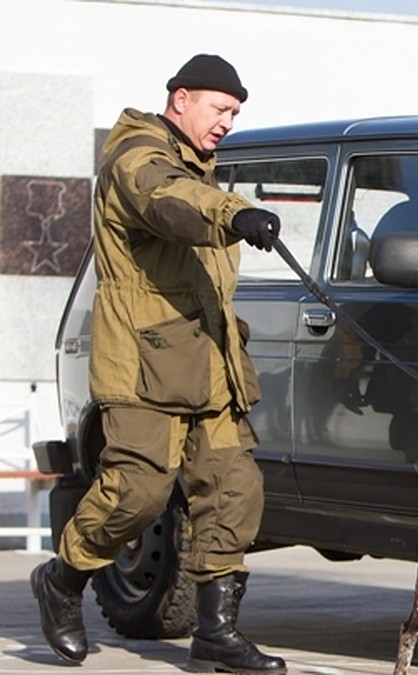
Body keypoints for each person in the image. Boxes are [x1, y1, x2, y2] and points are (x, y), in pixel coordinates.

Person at [30, 54, 285, 673]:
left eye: (235, 113)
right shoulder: (137, 158)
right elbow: (169, 201)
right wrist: (233, 213)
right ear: (181, 99)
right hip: (145, 366)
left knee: (233, 490)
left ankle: (216, 632)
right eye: (220, 108)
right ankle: (62, 579)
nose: (227, 122)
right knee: (136, 494)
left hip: (211, 365)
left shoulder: (200, 168)